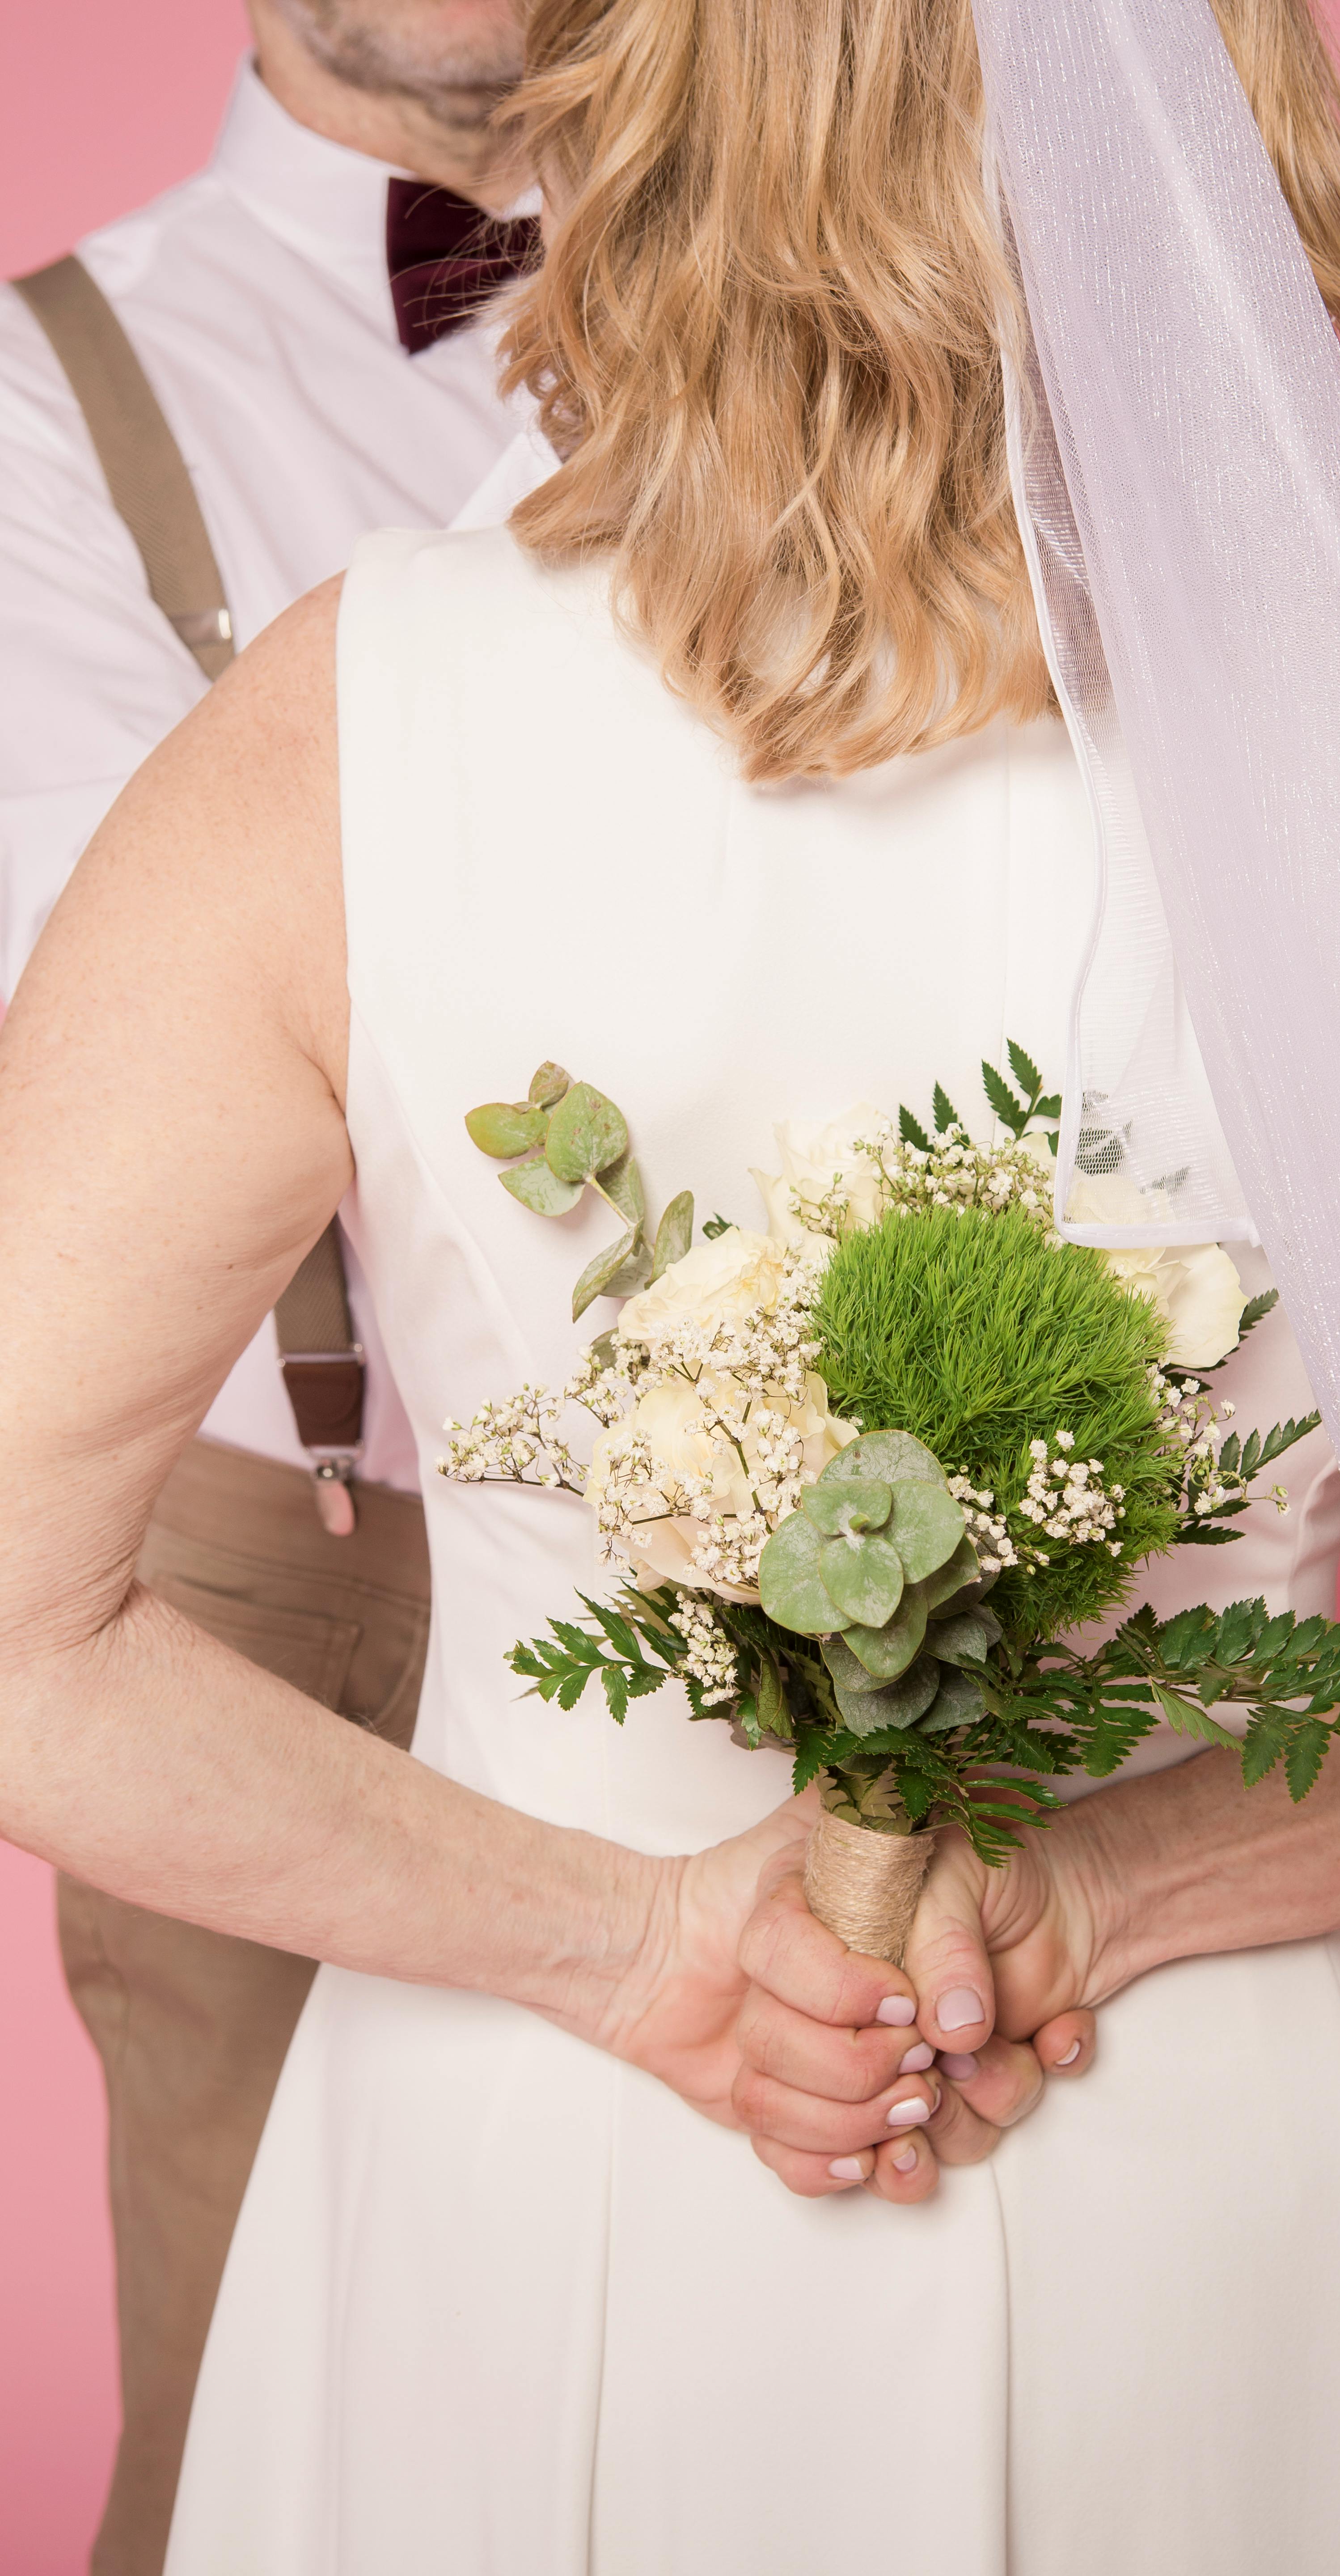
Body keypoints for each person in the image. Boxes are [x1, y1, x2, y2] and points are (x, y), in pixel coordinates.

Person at [1, 3, 1340, 2572]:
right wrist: (1118, 1885)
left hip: (556, 2151)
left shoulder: (350, 720)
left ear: (651, 108)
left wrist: (630, 1950)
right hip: (1208, 2149)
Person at [0, 5, 533, 2568]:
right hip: (276, 1578)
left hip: (794, 1543)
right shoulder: (32, 405)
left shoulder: (842, 339)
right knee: (273, 2442)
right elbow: (169, 1043)